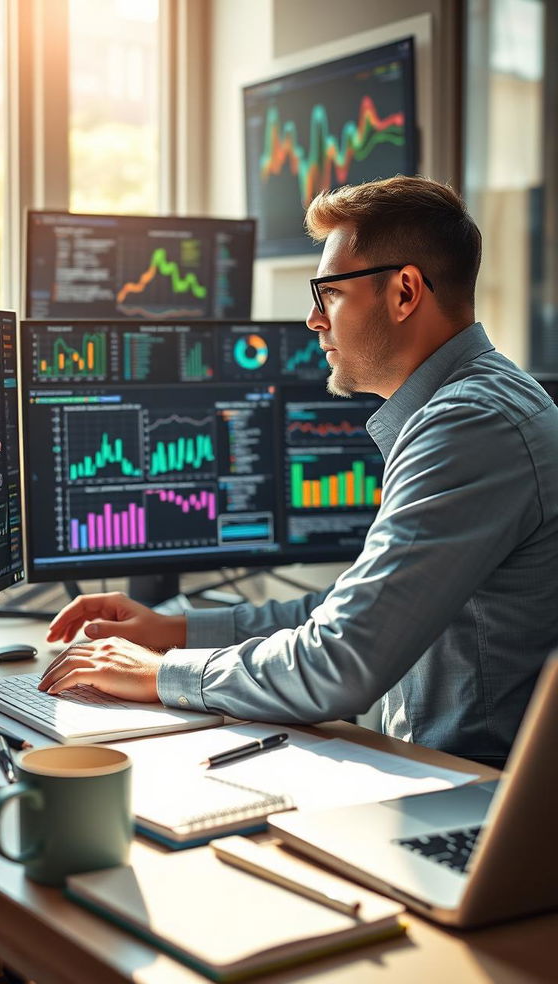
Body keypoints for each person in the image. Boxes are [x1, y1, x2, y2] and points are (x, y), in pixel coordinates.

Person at [41, 175, 558, 768]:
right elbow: (348, 612)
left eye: (329, 293)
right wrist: (173, 630)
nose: (314, 319)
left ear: (405, 292)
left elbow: (341, 663)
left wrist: (162, 674)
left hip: (476, 803)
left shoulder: (469, 425)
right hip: (442, 779)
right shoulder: (479, 404)